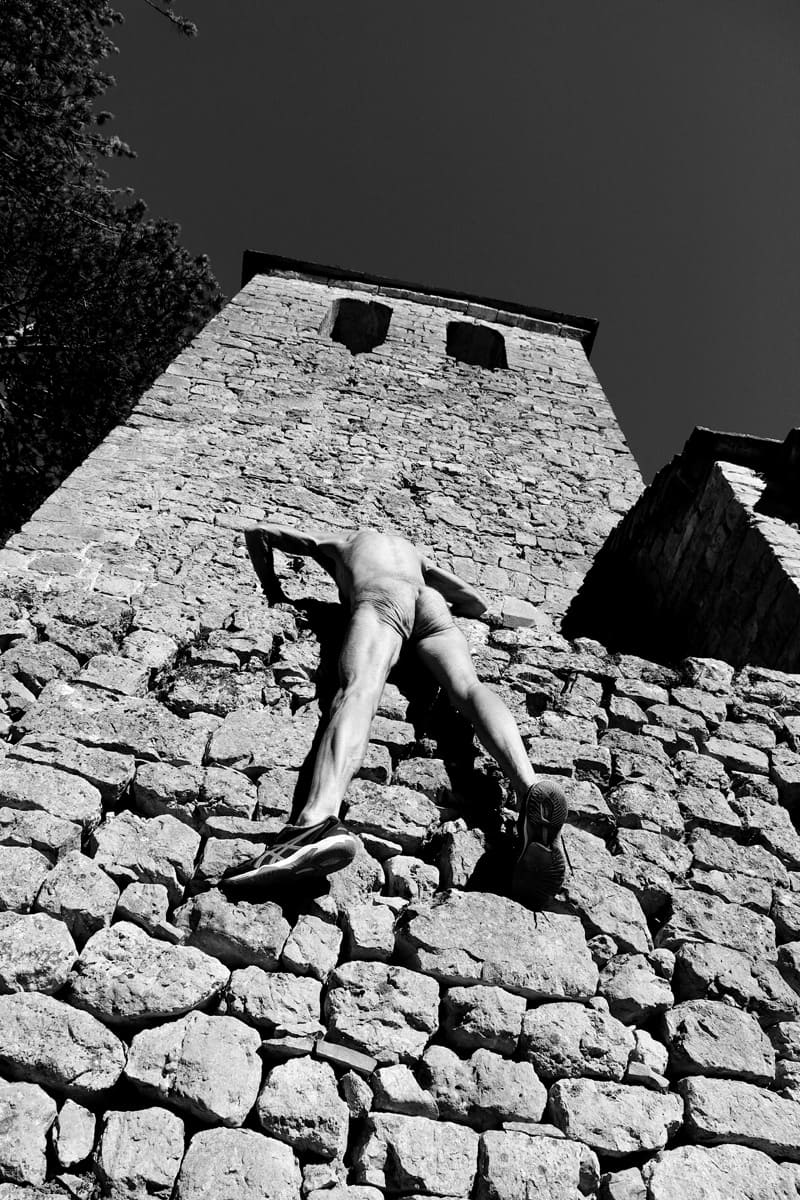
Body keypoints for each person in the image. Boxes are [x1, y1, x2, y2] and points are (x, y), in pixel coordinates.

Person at [220, 526, 568, 905]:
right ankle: (528, 787)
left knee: (359, 690)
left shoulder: (344, 542)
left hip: (382, 596)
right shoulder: (414, 555)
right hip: (429, 601)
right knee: (469, 688)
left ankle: (315, 823)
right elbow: (475, 603)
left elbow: (259, 533)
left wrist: (274, 591)